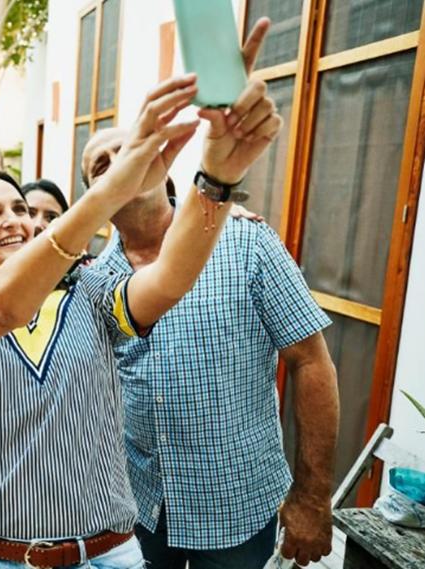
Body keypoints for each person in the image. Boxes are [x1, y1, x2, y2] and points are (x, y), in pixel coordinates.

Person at [0, 69, 283, 568]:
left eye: (19, 207)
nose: (15, 220)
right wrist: (110, 190)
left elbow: (168, 278)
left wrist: (216, 179)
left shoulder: (89, 289)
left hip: (106, 556)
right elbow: (4, 308)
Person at [86, 20, 339, 569]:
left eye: (126, 149)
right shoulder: (91, 284)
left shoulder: (246, 242)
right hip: (137, 512)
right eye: (99, 167)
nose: (116, 166)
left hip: (237, 513)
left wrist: (312, 498)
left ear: (158, 158)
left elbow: (310, 359)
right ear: (94, 195)